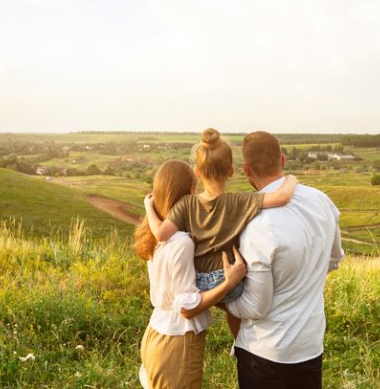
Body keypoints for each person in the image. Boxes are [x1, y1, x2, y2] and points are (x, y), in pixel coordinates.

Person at [143, 128, 298, 338]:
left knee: (222, 301)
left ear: (197, 171)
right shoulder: (238, 201)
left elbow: (161, 234)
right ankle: (239, 342)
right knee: (236, 303)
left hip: (196, 282)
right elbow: (281, 197)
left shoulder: (185, 204)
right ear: (231, 171)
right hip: (227, 280)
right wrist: (291, 179)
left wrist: (148, 207)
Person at [227, 131, 345, 388]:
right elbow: (335, 258)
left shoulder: (257, 225)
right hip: (310, 344)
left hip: (265, 353)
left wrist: (221, 297)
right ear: (282, 159)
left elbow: (255, 308)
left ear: (246, 169)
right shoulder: (322, 201)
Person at [133, 160, 249, 388]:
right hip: (177, 343)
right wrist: (229, 282)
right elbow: (187, 308)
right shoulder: (181, 242)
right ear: (187, 194)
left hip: (155, 334)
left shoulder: (153, 234)